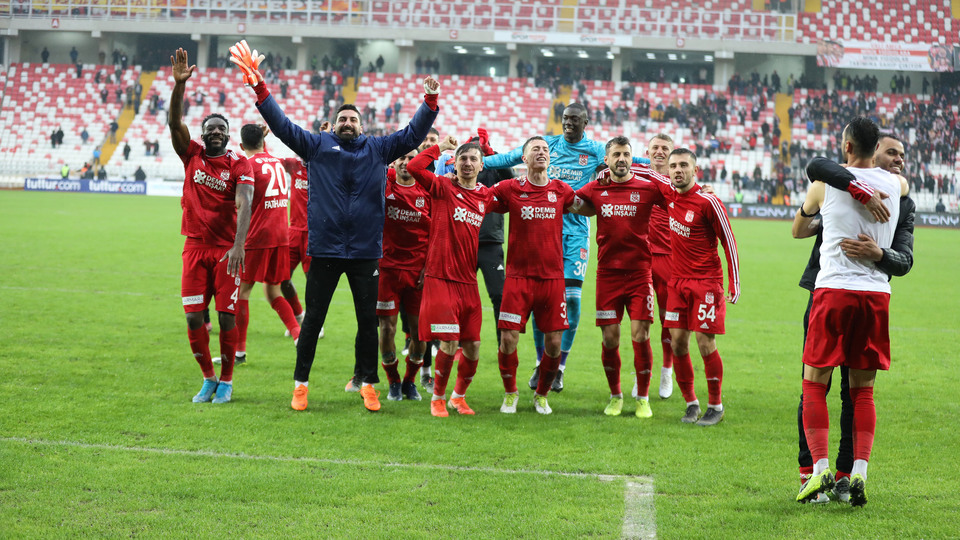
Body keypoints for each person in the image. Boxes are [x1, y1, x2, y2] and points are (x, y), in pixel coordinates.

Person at [229, 39, 439, 413]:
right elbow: (280, 125)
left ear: (362, 125)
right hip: (324, 248)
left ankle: (368, 384)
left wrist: (429, 104)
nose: (346, 123)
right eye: (341, 118)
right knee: (312, 322)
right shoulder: (316, 146)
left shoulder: (378, 149)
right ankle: (300, 384)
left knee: (366, 324)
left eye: (352, 119)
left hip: (365, 252)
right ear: (334, 123)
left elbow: (412, 136)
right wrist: (259, 87)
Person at [482, 102, 649, 393]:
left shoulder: (597, 149)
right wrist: (474, 161)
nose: (568, 124)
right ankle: (540, 362)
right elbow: (508, 157)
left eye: (574, 120)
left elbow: (630, 162)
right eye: (565, 119)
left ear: (586, 122)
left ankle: (559, 366)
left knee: (571, 299)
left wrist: (659, 165)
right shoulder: (545, 145)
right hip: (543, 233)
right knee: (540, 302)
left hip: (576, 235)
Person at [793, 132, 914, 504]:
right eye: (891, 151)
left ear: (847, 145)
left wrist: (879, 253)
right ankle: (857, 472)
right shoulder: (897, 187)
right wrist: (859, 190)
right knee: (862, 392)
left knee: (814, 384)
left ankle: (822, 472)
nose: (898, 160)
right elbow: (822, 166)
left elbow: (905, 258)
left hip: (833, 292)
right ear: (873, 149)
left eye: (901, 155)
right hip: (875, 297)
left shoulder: (823, 185)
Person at [169, 47, 254, 404]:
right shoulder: (192, 155)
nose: (215, 132)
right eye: (209, 129)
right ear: (202, 135)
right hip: (194, 247)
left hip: (225, 251)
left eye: (221, 128)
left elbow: (245, 202)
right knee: (192, 318)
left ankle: (228, 380)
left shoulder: (239, 164)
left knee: (226, 317)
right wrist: (179, 87)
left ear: (228, 133)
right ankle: (207, 378)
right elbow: (174, 123)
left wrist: (238, 245)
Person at [577, 137, 675, 418]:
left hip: (639, 274)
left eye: (626, 154)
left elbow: (678, 198)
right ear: (606, 160)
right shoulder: (596, 188)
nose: (622, 159)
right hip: (607, 274)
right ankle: (615, 396)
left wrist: (704, 190)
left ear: (633, 158)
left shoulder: (647, 188)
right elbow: (574, 203)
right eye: (616, 154)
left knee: (640, 335)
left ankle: (643, 397)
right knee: (609, 338)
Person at [490, 136, 578, 415]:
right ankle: (510, 394)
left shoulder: (561, 190)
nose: (541, 153)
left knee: (554, 344)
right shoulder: (510, 188)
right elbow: (478, 200)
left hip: (552, 279)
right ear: (524, 159)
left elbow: (587, 206)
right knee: (508, 340)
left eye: (544, 149)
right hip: (517, 278)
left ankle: (541, 394)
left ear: (549, 158)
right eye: (534, 150)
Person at [407, 136, 493, 417]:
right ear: (454, 163)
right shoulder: (442, 186)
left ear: (481, 166)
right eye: (462, 159)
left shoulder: (484, 195)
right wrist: (440, 146)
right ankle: (438, 399)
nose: (467, 163)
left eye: (472, 159)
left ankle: (458, 396)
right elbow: (418, 167)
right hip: (441, 277)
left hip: (468, 281)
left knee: (474, 345)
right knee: (449, 341)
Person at [663, 148, 740, 426]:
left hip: (706, 283)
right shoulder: (668, 194)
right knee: (677, 343)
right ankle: (691, 403)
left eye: (684, 165)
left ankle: (716, 406)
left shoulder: (708, 201)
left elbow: (728, 241)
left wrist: (734, 283)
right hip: (677, 283)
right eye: (673, 166)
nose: (677, 170)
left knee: (705, 342)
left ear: (696, 170)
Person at [228, 124, 302, 367]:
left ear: (241, 146)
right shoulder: (277, 161)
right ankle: (298, 336)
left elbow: (242, 201)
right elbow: (262, 156)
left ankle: (239, 353)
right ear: (262, 141)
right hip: (282, 235)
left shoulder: (246, 165)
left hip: (258, 237)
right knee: (273, 292)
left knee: (241, 293)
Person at [377, 148, 430, 402]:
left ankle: (410, 381)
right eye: (402, 158)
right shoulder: (385, 184)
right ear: (394, 163)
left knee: (420, 332)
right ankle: (393, 381)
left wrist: (428, 266)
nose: (406, 163)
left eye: (411, 159)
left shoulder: (428, 191)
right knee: (387, 329)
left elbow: (438, 232)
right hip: (387, 270)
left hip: (419, 272)